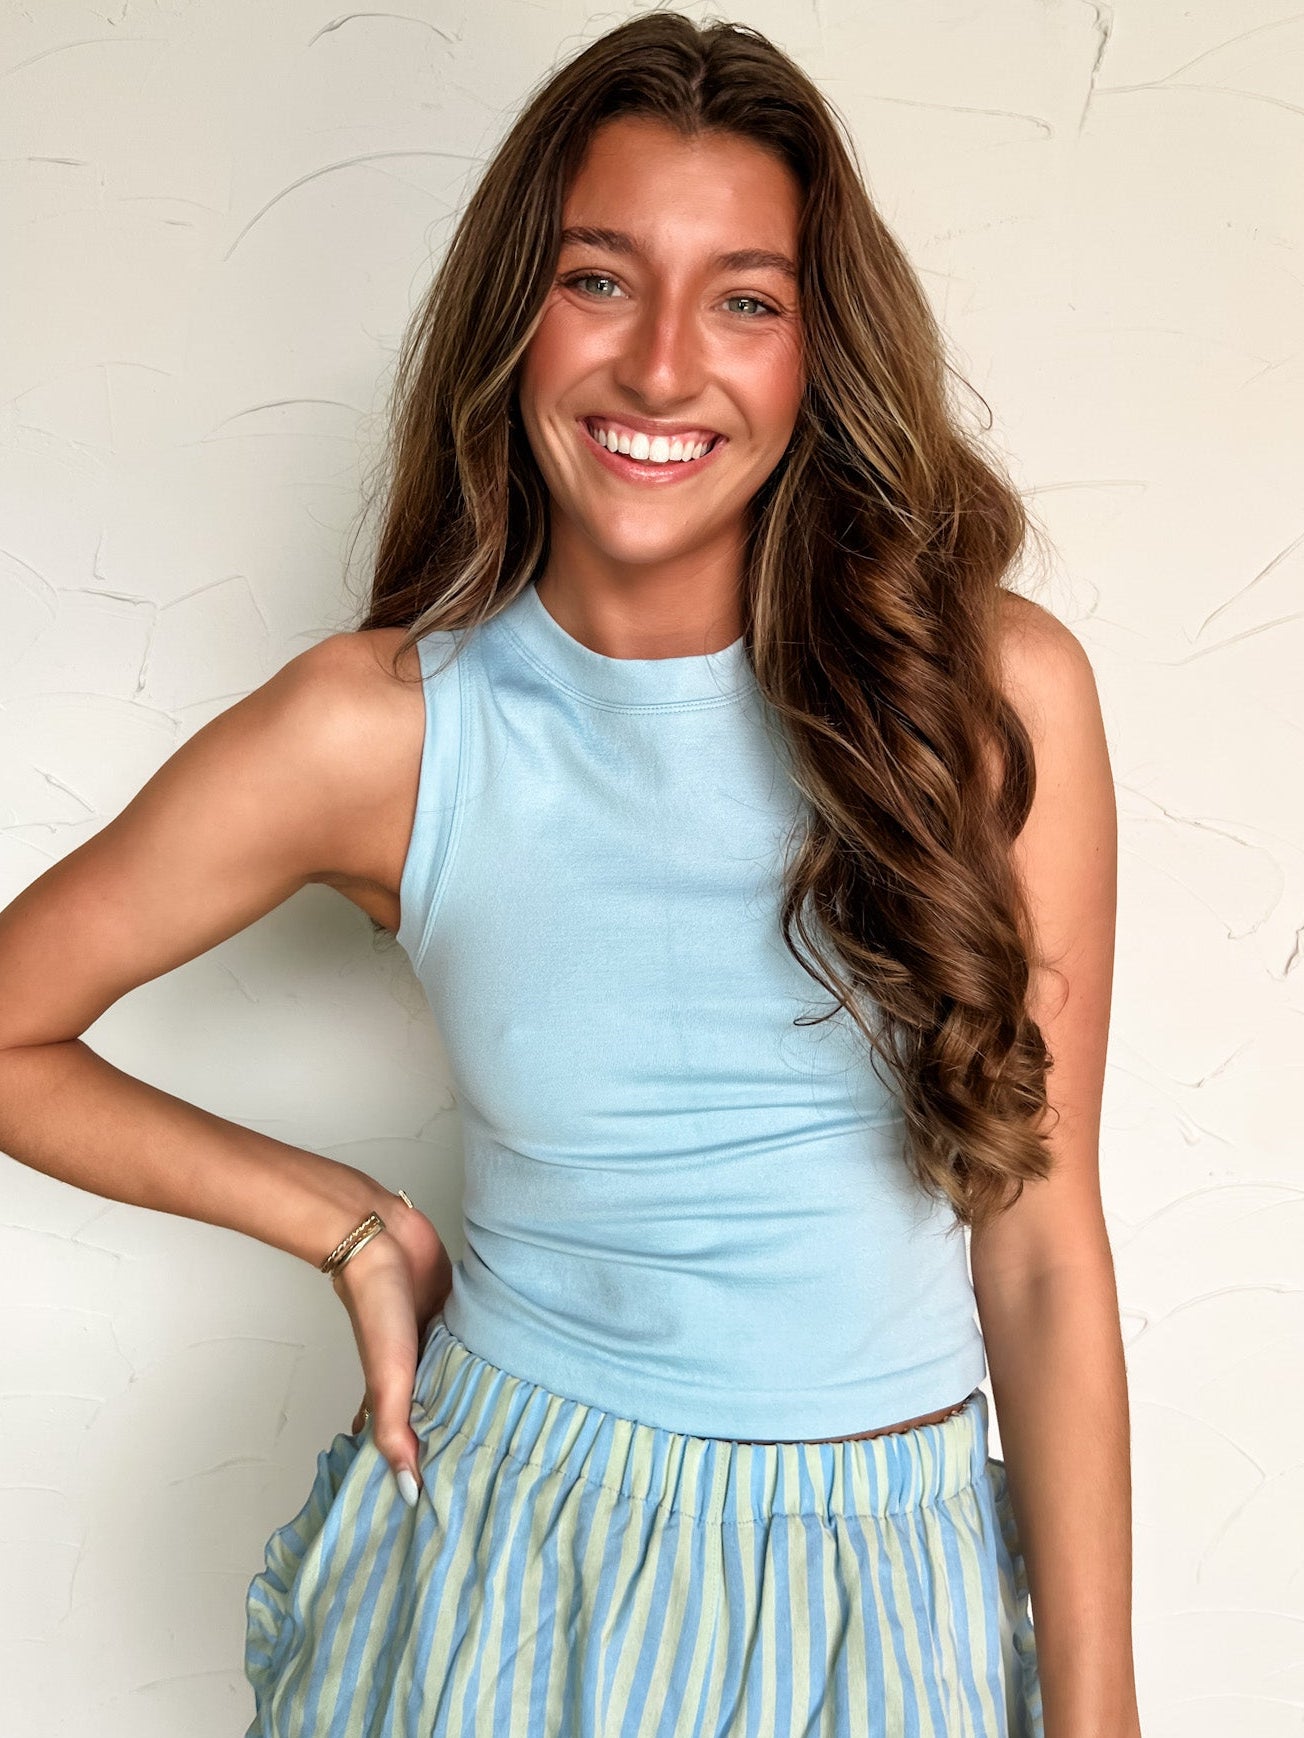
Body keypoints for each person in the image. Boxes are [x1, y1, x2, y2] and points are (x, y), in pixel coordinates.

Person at [0, 12, 1141, 1738]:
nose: (664, 367)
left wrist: (1100, 1707)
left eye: (745, 298)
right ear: (512, 311)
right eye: (601, 279)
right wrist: (351, 1222)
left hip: (893, 1593)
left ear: (818, 352)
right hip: (516, 1569)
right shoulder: (381, 729)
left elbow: (1045, 1251)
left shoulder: (992, 696)